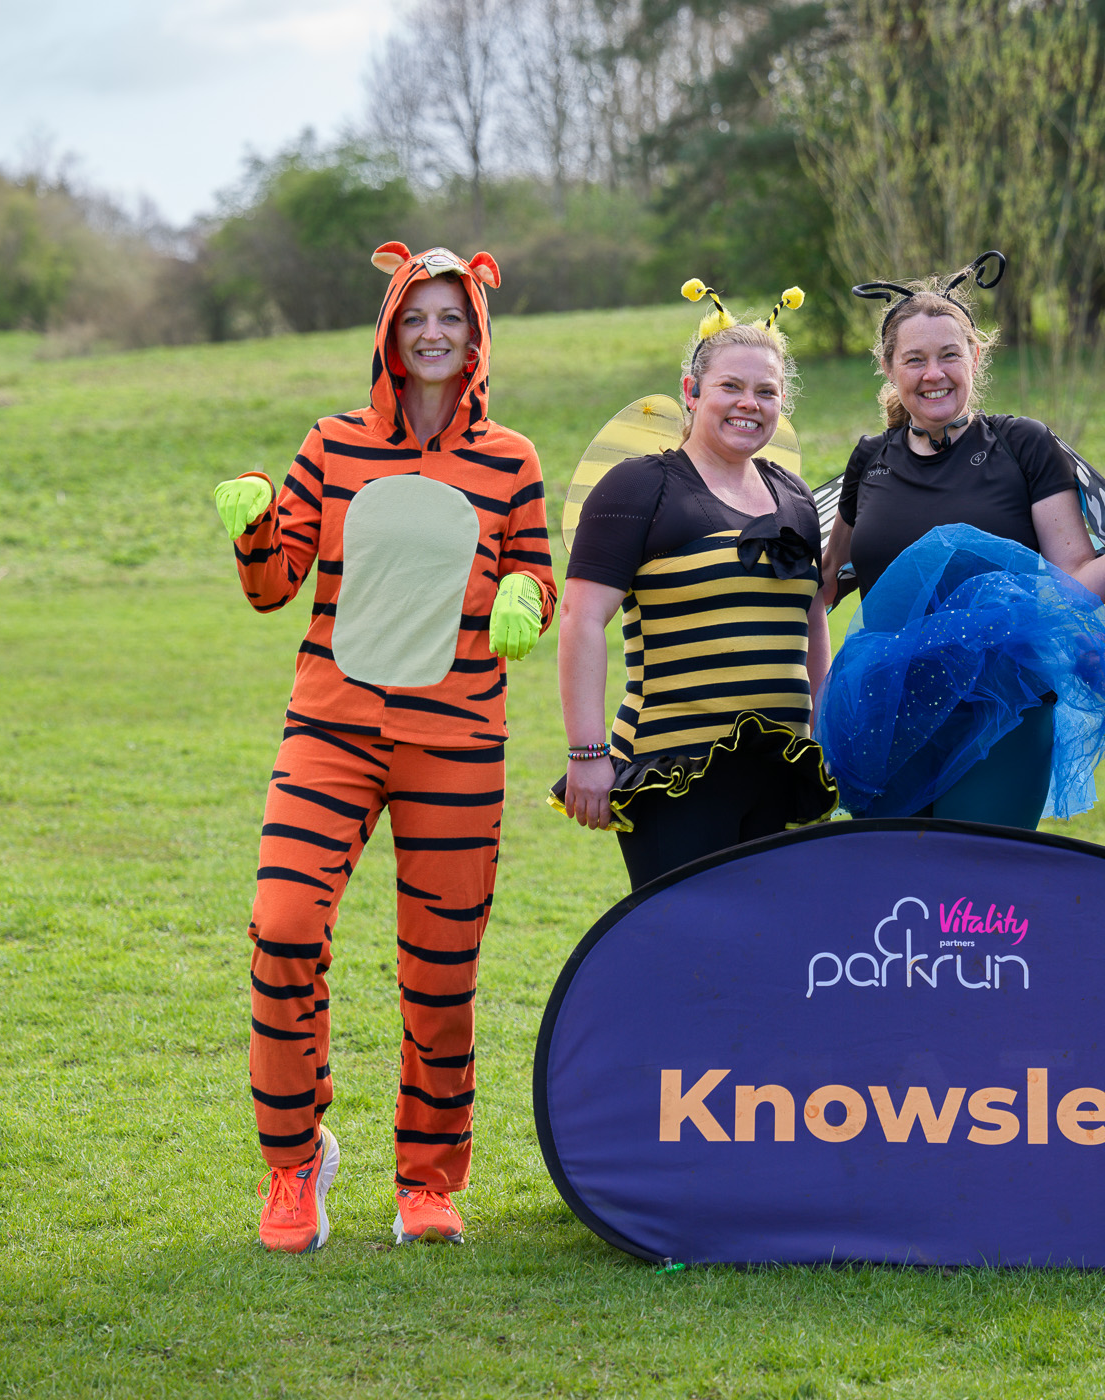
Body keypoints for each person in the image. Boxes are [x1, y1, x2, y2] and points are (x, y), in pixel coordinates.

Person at [210, 242, 557, 1255]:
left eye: (451, 316)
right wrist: (252, 528)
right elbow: (273, 588)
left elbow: (537, 572)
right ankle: (293, 1162)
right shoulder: (331, 445)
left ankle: (428, 1179)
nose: (432, 334)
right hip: (331, 729)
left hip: (457, 738)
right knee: (282, 928)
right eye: (415, 317)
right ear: (389, 332)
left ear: (476, 333)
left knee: (441, 972)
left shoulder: (512, 459)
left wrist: (525, 597)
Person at [816, 254, 1105, 828]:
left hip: (1001, 712)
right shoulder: (869, 460)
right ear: (888, 367)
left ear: (975, 357)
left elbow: (1074, 581)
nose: (934, 373)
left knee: (976, 874)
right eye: (915, 359)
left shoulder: (1022, 445)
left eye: (950, 355)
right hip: (886, 716)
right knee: (891, 877)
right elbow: (826, 579)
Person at [554, 281, 835, 889]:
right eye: (730, 386)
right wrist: (586, 752)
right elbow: (580, 619)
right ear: (691, 391)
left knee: (767, 935)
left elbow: (812, 621)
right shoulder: (638, 487)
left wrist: (825, 731)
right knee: (685, 938)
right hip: (674, 770)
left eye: (766, 391)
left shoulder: (794, 495)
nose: (748, 404)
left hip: (780, 767)